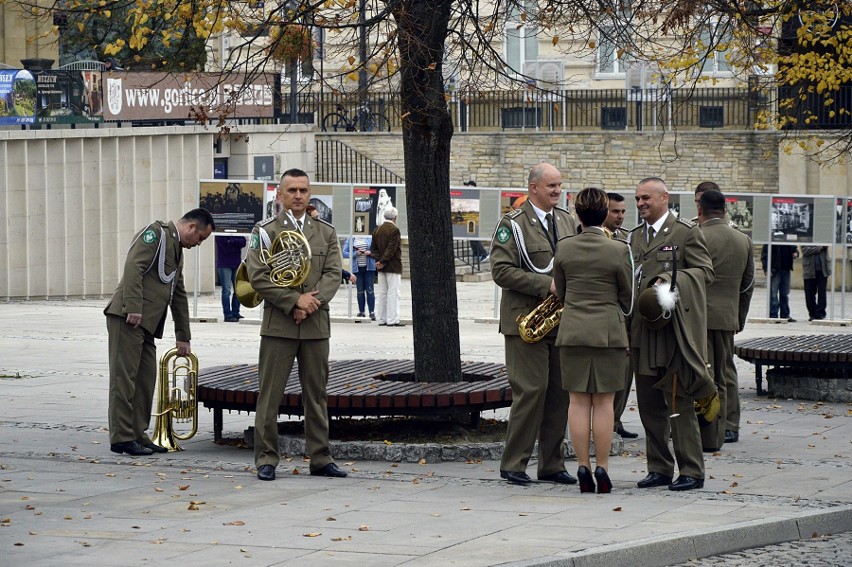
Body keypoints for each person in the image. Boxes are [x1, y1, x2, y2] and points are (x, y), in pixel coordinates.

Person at [248, 168, 346, 481]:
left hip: (315, 326)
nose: (299, 196)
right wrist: (294, 301)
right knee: (270, 394)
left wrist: (310, 303)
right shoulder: (264, 231)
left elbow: (333, 274)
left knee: (316, 395)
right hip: (279, 325)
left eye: (303, 190)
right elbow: (258, 276)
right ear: (280, 195)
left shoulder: (326, 232)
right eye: (292, 191)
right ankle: (266, 458)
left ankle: (320, 458)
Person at [490, 162, 578, 486]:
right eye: (551, 186)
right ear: (534, 188)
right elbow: (500, 271)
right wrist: (546, 285)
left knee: (559, 393)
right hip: (524, 320)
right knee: (531, 391)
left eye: (559, 185)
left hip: (559, 320)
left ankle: (552, 465)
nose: (557, 191)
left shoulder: (567, 220)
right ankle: (514, 463)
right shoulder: (511, 224)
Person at [629, 177, 717, 491]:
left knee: (678, 402)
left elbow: (705, 271)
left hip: (673, 332)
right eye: (637, 199)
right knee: (649, 405)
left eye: (646, 198)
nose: (640, 204)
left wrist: (668, 278)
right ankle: (659, 468)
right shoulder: (635, 237)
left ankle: (691, 469)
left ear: (664, 197)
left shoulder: (685, 232)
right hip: (642, 331)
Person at [104, 208, 215, 456]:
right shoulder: (155, 235)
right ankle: (121, 437)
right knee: (125, 379)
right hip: (127, 317)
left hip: (147, 325)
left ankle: (137, 434)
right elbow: (133, 266)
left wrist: (183, 334)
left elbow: (178, 294)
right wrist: (133, 306)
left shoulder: (176, 249)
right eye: (201, 239)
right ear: (191, 228)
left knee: (145, 380)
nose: (198, 244)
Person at [554, 188, 633, 493]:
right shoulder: (618, 249)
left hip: (573, 330)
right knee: (604, 402)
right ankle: (602, 466)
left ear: (577, 214)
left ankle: (582, 466)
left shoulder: (564, 247)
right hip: (608, 333)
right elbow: (628, 298)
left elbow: (560, 291)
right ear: (604, 214)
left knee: (576, 402)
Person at [697, 189, 754, 450]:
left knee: (704, 373)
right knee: (726, 371)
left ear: (701, 210)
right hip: (728, 316)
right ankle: (730, 424)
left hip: (700, 317)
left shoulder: (697, 236)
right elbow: (747, 284)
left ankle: (709, 427)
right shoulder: (743, 240)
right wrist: (739, 316)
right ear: (725, 210)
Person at [604, 191, 638, 440]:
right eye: (615, 211)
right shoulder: (590, 237)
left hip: (627, 317)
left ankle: (615, 420)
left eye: (623, 212)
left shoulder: (628, 239)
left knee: (626, 375)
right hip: (606, 314)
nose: (620, 216)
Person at [370, 206, 404, 327]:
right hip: (393, 265)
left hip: (380, 267)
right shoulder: (394, 230)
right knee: (393, 293)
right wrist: (383, 260)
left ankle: (382, 318)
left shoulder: (377, 230)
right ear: (395, 217)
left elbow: (373, 249)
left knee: (383, 293)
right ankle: (392, 319)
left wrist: (379, 261)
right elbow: (392, 248)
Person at [342, 234, 377, 319]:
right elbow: (344, 253)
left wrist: (370, 253)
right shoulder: (351, 238)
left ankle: (372, 312)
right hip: (357, 269)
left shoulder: (369, 237)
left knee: (370, 290)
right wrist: (355, 254)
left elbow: (377, 250)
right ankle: (361, 311)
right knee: (360, 290)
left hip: (369, 268)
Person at [760, 244, 798, 321]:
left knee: (785, 293)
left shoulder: (787, 238)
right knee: (773, 293)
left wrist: (796, 253)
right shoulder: (773, 237)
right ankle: (773, 315)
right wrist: (766, 268)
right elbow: (764, 254)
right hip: (775, 269)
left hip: (786, 268)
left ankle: (785, 314)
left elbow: (794, 248)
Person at [215, 235, 247, 322]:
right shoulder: (220, 232)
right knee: (226, 290)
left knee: (238, 289)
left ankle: (235, 312)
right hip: (224, 264)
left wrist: (231, 241)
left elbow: (243, 242)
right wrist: (236, 244)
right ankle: (227, 314)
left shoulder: (238, 231)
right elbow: (224, 246)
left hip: (236, 263)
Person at [801, 246, 831, 321]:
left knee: (822, 293)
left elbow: (826, 245)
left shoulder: (822, 237)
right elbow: (805, 250)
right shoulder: (807, 238)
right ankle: (813, 313)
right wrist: (819, 248)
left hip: (823, 270)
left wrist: (816, 248)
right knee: (809, 294)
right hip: (809, 271)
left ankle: (820, 313)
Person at [463, 180, 489, 261]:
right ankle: (476, 253)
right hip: (470, 218)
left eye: (468, 186)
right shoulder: (470, 196)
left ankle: (484, 253)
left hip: (475, 218)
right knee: (471, 237)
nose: (467, 187)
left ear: (472, 186)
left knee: (474, 237)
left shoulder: (477, 195)